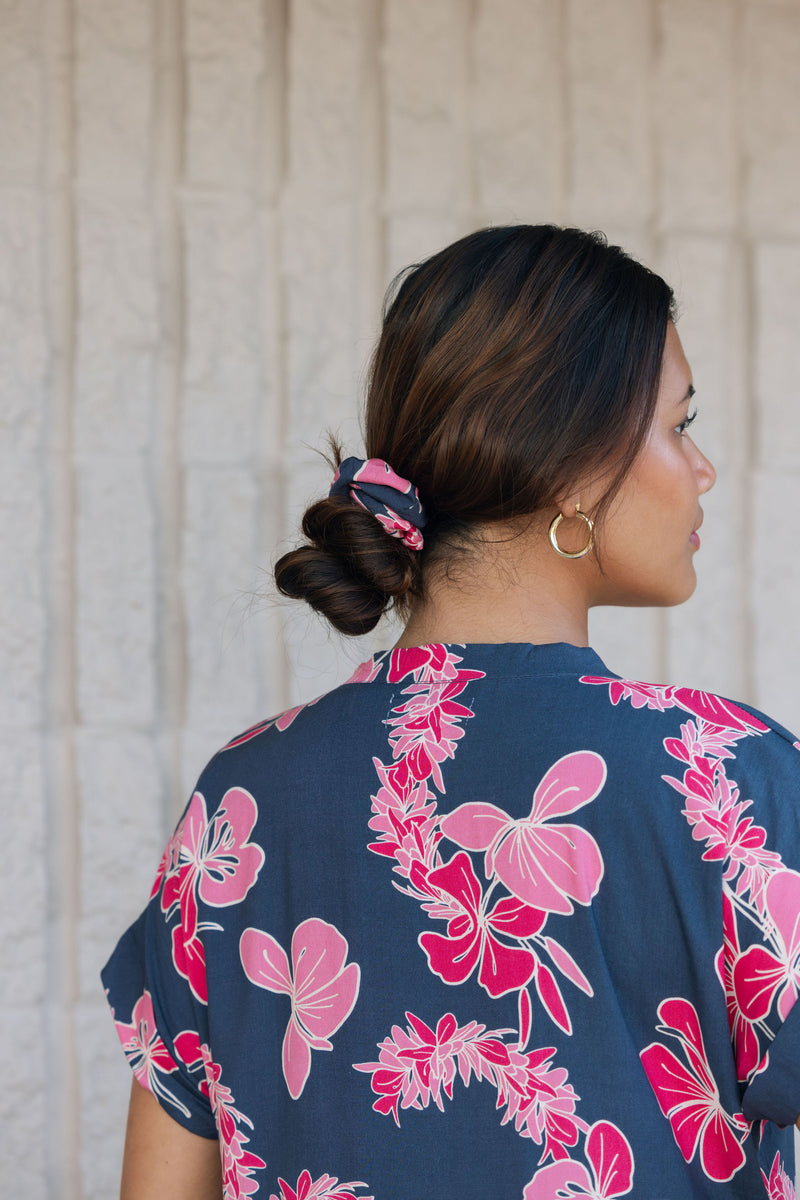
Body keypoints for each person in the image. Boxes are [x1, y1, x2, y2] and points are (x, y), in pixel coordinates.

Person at [103, 225, 800, 1200]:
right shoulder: (722, 780)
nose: (701, 469)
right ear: (570, 464)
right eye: (680, 425)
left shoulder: (242, 805)